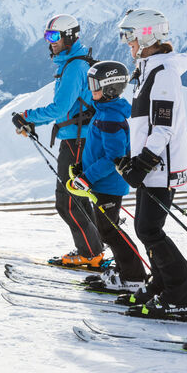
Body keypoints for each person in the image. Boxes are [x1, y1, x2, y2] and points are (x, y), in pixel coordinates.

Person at [113, 8, 187, 320]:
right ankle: (162, 284)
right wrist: (135, 159)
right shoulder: (149, 69)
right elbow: (145, 125)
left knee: (149, 230)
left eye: (130, 35)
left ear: (147, 35)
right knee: (146, 228)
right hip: (152, 166)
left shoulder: (163, 73)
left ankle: (182, 295)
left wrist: (144, 163)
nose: (127, 42)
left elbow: (163, 127)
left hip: (161, 168)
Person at [12, 14, 105, 269]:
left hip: (77, 141)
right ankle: (93, 249)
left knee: (67, 201)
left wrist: (27, 116)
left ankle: (90, 253)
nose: (50, 41)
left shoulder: (74, 67)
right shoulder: (75, 62)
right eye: (47, 36)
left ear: (69, 37)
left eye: (54, 36)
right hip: (80, 138)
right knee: (77, 197)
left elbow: (59, 108)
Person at [67, 61, 147, 292]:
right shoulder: (104, 110)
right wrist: (83, 169)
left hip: (109, 185)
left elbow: (114, 157)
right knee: (107, 230)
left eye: (95, 85)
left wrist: (87, 178)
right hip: (101, 182)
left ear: (110, 88)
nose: (90, 89)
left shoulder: (111, 116)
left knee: (109, 231)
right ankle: (125, 273)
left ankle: (134, 277)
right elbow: (99, 149)